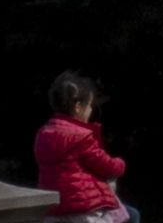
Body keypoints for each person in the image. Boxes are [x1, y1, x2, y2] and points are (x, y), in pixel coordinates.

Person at [36, 73, 133, 222]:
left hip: (53, 208)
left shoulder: (44, 134)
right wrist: (120, 164)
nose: (90, 111)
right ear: (78, 107)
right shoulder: (81, 137)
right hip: (82, 209)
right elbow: (107, 166)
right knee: (132, 215)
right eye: (89, 105)